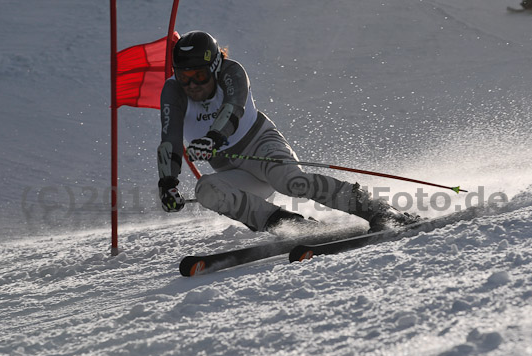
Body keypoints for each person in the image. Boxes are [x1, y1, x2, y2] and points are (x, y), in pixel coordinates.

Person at [157, 31, 416, 233]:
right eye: (184, 76)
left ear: (214, 66)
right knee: (206, 191)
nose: (191, 84)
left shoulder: (232, 72)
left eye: (200, 76)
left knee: (291, 182)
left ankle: (377, 209)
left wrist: (212, 138)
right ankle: (290, 225)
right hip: (230, 169)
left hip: (260, 145)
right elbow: (169, 139)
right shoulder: (173, 91)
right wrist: (168, 183)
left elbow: (232, 110)